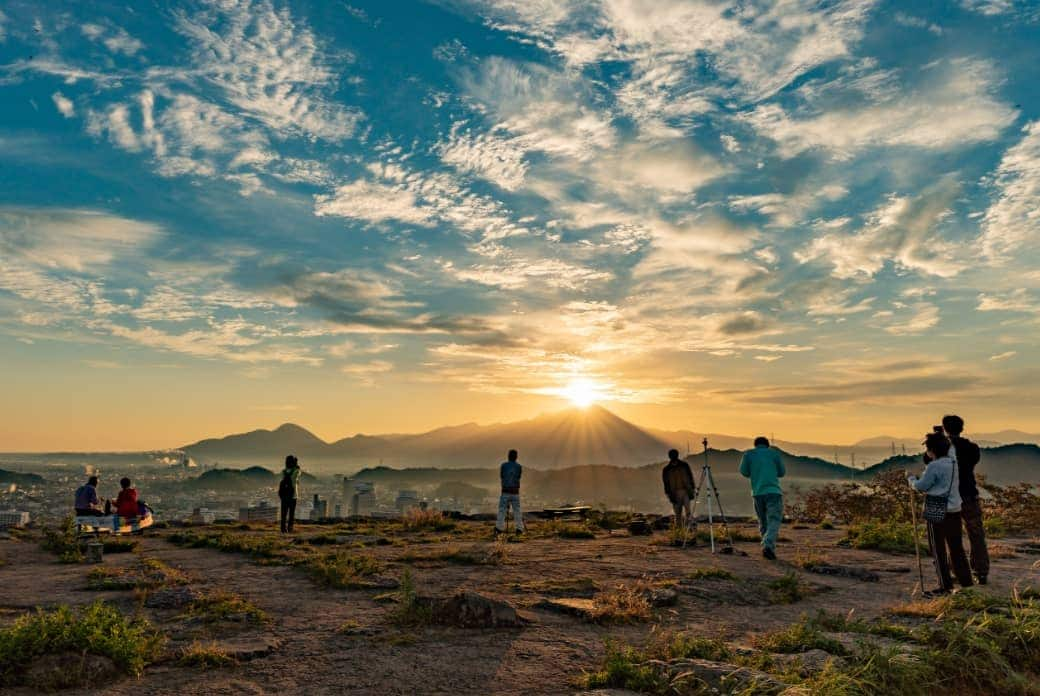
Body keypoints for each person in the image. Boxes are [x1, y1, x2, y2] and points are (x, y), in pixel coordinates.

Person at [909, 431, 973, 595]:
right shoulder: (953, 462)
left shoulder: (934, 466)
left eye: (928, 449)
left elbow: (922, 486)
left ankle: (945, 586)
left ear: (932, 450)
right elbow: (948, 448)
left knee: (938, 549)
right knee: (956, 547)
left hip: (936, 507)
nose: (927, 452)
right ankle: (966, 582)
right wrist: (939, 433)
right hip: (954, 508)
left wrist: (911, 480)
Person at [943, 414, 990, 585]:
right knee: (976, 535)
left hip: (950, 498)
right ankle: (981, 572)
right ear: (962, 429)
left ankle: (955, 571)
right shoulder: (972, 447)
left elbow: (929, 460)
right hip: (970, 494)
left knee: (953, 537)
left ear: (945, 428)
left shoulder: (942, 448)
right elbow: (973, 462)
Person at [739, 436, 785, 560]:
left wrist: (755, 471)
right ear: (767, 444)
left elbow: (744, 472)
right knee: (774, 519)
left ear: (755, 445)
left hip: (757, 492)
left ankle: (767, 547)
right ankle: (768, 544)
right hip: (773, 491)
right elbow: (782, 472)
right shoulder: (774, 454)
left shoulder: (748, 454)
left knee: (763, 521)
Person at [662, 449, 696, 532]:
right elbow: (666, 483)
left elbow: (690, 477)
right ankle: (680, 531)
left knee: (687, 512)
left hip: (685, 492)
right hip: (675, 493)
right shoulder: (667, 469)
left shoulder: (683, 466)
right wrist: (669, 495)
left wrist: (692, 489)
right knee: (678, 514)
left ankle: (689, 529)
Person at [495, 449, 525, 535]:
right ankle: (519, 529)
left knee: (502, 510)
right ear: (516, 457)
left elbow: (502, 476)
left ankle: (499, 528)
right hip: (515, 491)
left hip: (505, 491)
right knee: (517, 511)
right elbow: (518, 477)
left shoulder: (504, 465)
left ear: (508, 456)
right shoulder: (519, 467)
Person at [278, 455, 301, 534]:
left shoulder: (283, 472)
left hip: (284, 495)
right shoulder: (296, 471)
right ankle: (290, 528)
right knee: (291, 513)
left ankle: (283, 528)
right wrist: (296, 464)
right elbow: (298, 472)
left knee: (283, 513)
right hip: (293, 495)